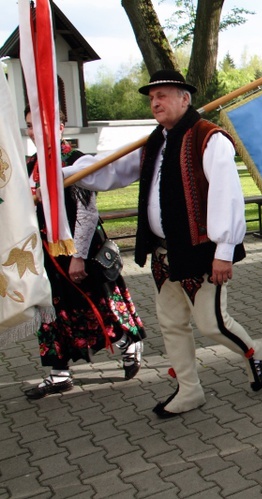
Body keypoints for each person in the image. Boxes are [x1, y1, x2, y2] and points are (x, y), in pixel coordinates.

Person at [63, 69, 262, 417]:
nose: (155, 102)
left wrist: (224, 252)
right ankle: (189, 390)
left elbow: (227, 196)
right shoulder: (154, 142)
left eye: (163, 95)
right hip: (162, 252)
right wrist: (62, 174)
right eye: (152, 97)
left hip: (201, 252)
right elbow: (110, 170)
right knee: (171, 323)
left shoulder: (209, 138)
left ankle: (255, 351)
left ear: (185, 99)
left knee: (211, 323)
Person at [24, 108, 145, 399]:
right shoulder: (30, 164)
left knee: (97, 302)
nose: (33, 132)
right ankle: (59, 372)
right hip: (45, 253)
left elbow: (88, 213)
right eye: (29, 126)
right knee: (49, 310)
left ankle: (129, 342)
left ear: (61, 126)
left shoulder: (76, 161)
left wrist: (77, 255)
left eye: (39, 125)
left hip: (79, 248)